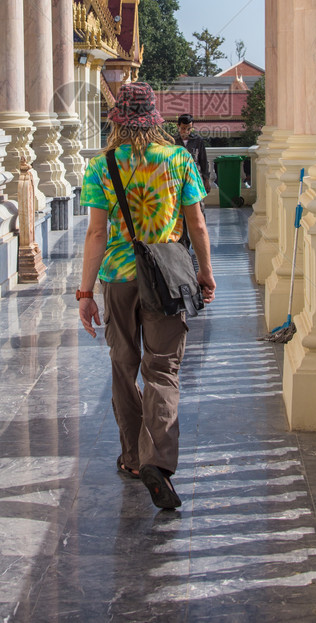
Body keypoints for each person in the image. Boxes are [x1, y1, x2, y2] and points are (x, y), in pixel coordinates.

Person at [77, 82, 217, 511]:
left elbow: (96, 233)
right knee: (162, 369)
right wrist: (205, 274)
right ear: (156, 119)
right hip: (169, 279)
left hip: (119, 279)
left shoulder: (102, 166)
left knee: (123, 364)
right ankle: (158, 458)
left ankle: (134, 458)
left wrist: (85, 292)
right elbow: (196, 225)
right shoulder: (178, 159)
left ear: (118, 121)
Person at [176, 114, 210, 194]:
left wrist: (206, 179)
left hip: (195, 176)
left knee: (199, 203)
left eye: (189, 128)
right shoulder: (172, 141)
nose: (186, 131)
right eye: (183, 128)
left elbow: (203, 161)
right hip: (178, 177)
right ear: (178, 126)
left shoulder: (198, 141)